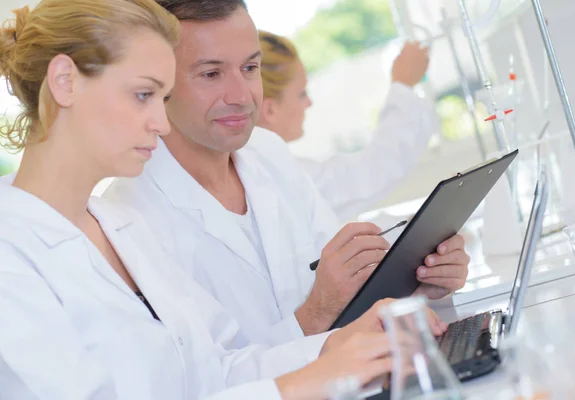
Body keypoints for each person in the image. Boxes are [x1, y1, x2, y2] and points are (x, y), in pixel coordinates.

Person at [0, 1, 446, 399]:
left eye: (163, 96)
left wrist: (340, 344)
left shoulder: (117, 226)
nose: (159, 120)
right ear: (64, 82)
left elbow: (215, 371)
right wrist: (299, 385)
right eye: (143, 95)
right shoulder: (12, 251)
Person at [103, 0, 468, 349]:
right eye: (211, 73)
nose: (242, 96)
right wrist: (316, 311)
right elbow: (206, 381)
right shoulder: (129, 220)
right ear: (157, 84)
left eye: (249, 68)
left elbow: (349, 302)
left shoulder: (268, 152)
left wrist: (419, 291)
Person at [258, 30, 436, 221]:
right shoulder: (279, 178)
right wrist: (403, 84)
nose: (309, 103)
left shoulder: (268, 170)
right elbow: (371, 171)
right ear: (270, 110)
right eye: (301, 94)